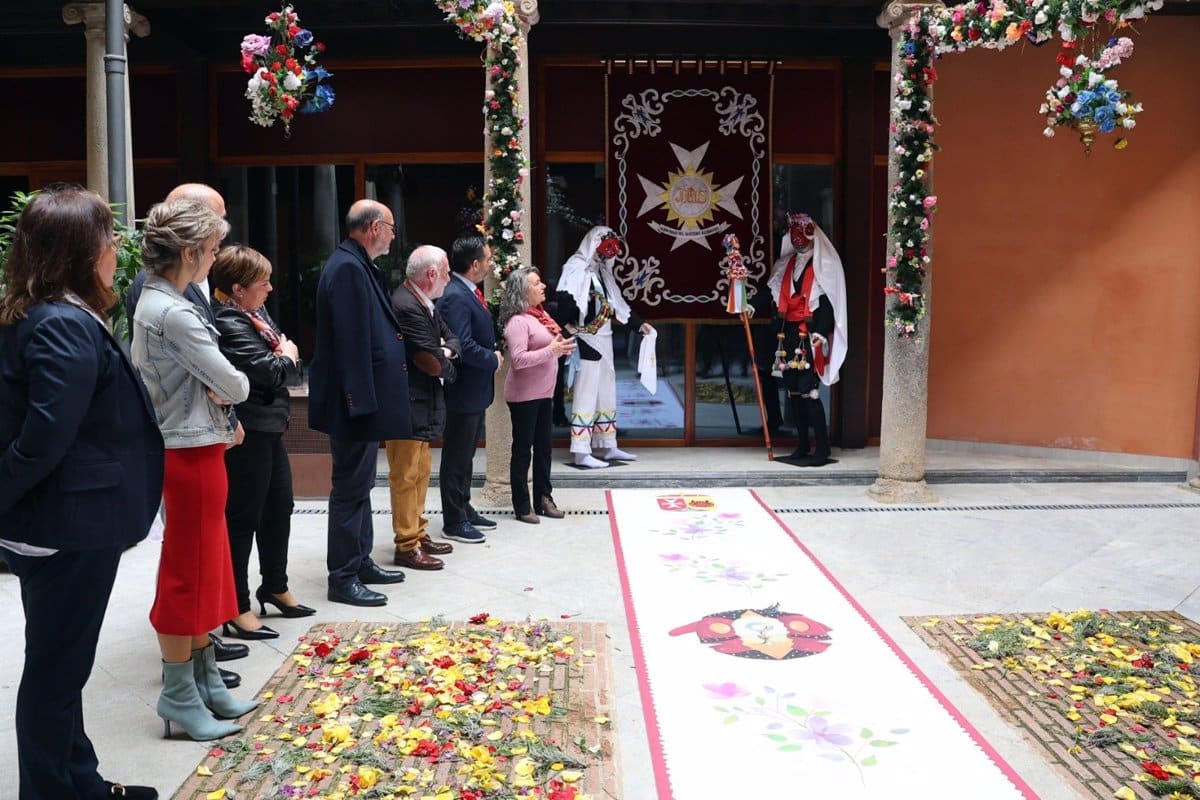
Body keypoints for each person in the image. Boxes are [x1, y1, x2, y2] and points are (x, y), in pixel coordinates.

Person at [0, 186, 164, 799]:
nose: (114, 250)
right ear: (80, 248)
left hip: (66, 522)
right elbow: (43, 440)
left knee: (60, 665)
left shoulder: (55, 311)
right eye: (107, 237)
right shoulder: (63, 323)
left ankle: (80, 783)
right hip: (67, 527)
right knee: (55, 673)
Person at [131, 198, 258, 741]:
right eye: (210, 251)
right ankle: (180, 692)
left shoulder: (161, 300)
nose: (214, 260)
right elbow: (237, 383)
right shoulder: (176, 312)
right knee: (189, 572)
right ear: (188, 253)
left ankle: (203, 684)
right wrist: (229, 391)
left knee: (207, 567)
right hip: (188, 449)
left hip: (192, 445)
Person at [308, 199, 411, 607]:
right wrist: (361, 403)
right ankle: (343, 575)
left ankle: (361, 558)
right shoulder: (348, 268)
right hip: (353, 404)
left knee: (362, 483)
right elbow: (351, 343)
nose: (392, 234)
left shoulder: (356, 263)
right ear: (371, 227)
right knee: (350, 487)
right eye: (389, 226)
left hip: (361, 402)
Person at [209, 245, 311, 637]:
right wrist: (285, 358)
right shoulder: (229, 322)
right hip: (247, 431)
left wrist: (286, 360)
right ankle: (236, 606)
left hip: (270, 426)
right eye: (262, 282)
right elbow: (273, 372)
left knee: (279, 506)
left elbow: (289, 367)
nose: (270, 288)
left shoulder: (254, 313)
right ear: (237, 289)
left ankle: (275, 585)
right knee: (243, 517)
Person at [554, 226, 654, 468]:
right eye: (602, 250)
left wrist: (640, 326)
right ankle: (580, 451)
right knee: (587, 391)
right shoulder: (575, 268)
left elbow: (618, 304)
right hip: (586, 338)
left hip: (605, 337)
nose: (605, 257)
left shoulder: (601, 273)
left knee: (607, 390)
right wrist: (567, 330)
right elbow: (566, 301)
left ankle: (608, 445)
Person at [386, 245, 460, 570]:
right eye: (445, 272)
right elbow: (429, 361)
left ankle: (417, 531)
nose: (448, 277)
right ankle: (406, 544)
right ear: (431, 274)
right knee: (405, 474)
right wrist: (444, 356)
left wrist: (447, 352)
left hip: (422, 401)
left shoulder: (425, 302)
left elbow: (451, 338)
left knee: (421, 470)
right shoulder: (406, 305)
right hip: (406, 402)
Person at [765, 212, 848, 466]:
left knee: (809, 391)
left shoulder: (824, 265)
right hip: (787, 333)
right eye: (794, 236)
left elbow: (829, 303)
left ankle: (821, 448)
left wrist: (822, 332)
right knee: (792, 391)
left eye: (802, 235)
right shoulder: (786, 264)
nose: (798, 241)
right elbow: (772, 292)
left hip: (810, 334)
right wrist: (746, 303)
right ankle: (801, 445)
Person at [437, 234, 503, 543]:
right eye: (487, 259)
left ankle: (464, 506)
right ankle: (453, 519)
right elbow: (460, 343)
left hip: (475, 391)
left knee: (466, 456)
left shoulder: (469, 292)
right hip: (463, 389)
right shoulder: (454, 295)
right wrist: (491, 358)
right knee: (456, 456)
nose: (490, 264)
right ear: (474, 264)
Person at [500, 266, 575, 524]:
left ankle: (544, 498)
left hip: (543, 394)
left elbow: (549, 348)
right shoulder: (518, 321)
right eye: (536, 283)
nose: (543, 286)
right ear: (522, 291)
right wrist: (552, 351)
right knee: (523, 450)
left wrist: (561, 349)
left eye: (541, 281)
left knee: (544, 449)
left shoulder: (541, 316)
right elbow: (519, 360)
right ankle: (522, 506)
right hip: (524, 396)